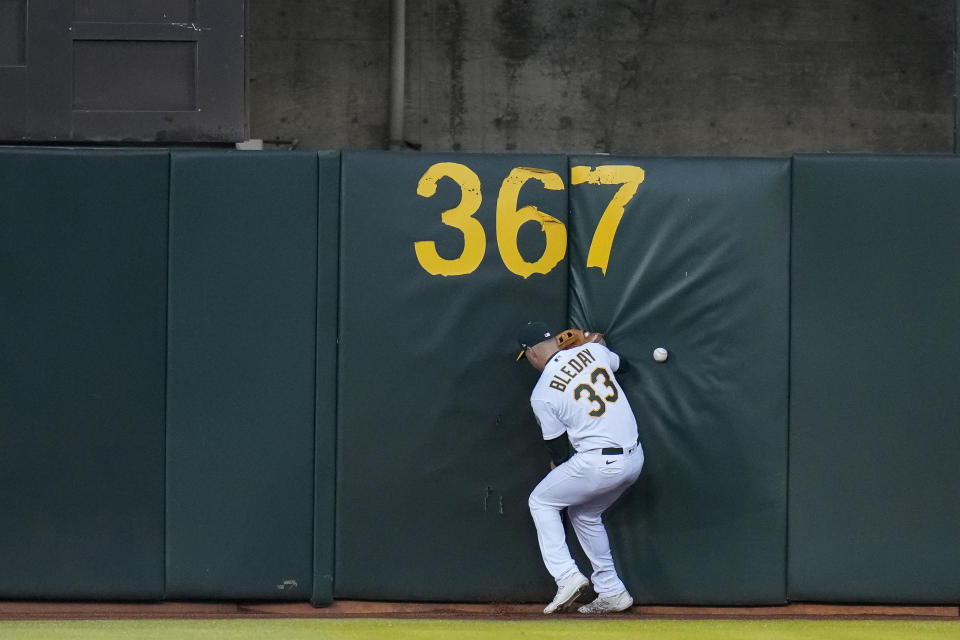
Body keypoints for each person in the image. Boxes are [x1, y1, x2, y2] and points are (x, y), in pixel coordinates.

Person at [516, 321, 644, 615]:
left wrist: (558, 471)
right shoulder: (592, 351)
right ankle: (612, 591)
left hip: (599, 463)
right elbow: (624, 366)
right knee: (584, 513)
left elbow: (559, 451)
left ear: (532, 353)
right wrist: (595, 344)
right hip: (634, 458)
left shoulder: (542, 393)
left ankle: (566, 575)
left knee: (541, 501)